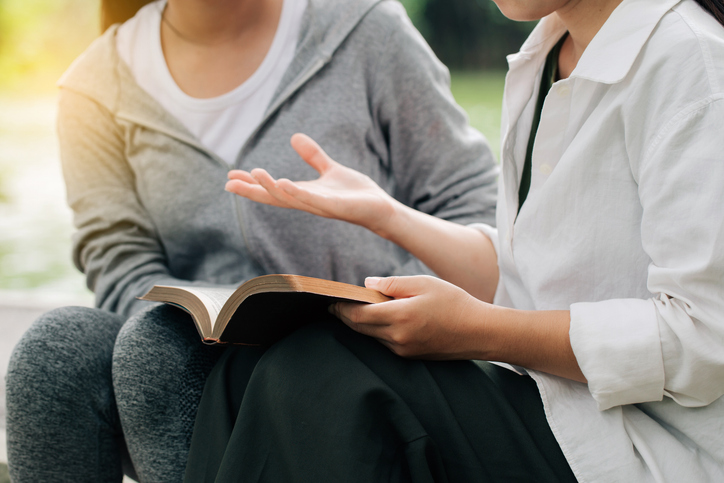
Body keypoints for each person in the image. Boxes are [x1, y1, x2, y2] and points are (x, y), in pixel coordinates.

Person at [185, 0, 724, 481]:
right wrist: (386, 214)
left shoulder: (691, 62)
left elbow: (706, 338)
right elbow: (529, 272)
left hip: (641, 445)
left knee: (322, 371)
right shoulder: (550, 49)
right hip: (554, 399)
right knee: (242, 369)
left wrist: (478, 331)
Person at [4, 0, 501, 481]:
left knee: (157, 353)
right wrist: (213, 328)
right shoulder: (93, 84)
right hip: (185, 362)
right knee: (59, 352)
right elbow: (117, 260)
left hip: (359, 354)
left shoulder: (366, 28)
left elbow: (473, 210)